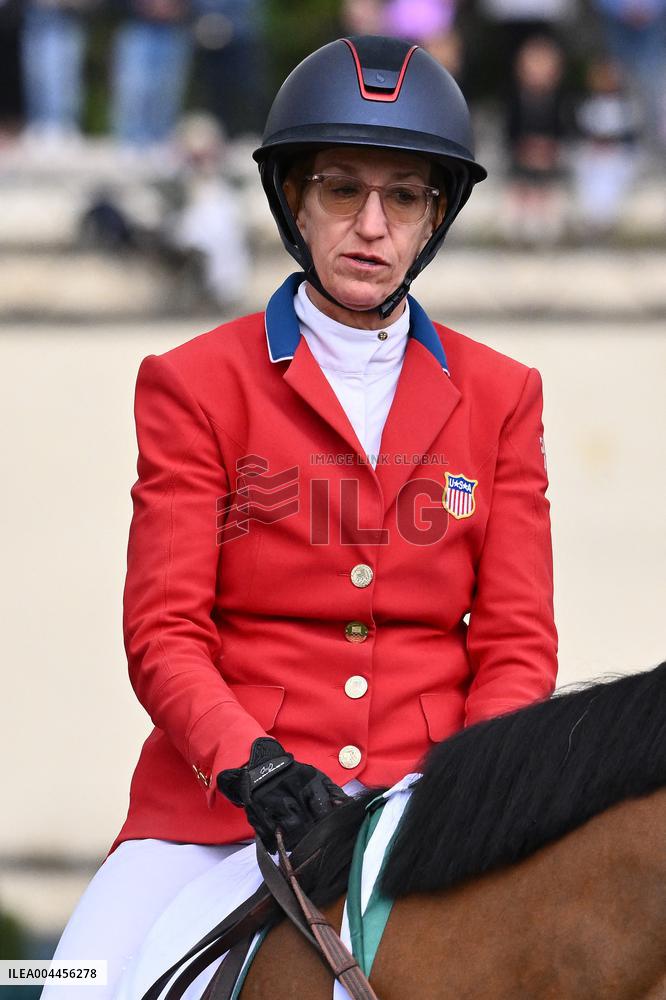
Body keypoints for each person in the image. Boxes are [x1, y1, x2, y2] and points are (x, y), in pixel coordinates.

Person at [42, 34, 558, 998]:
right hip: (225, 811)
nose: (371, 225)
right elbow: (163, 632)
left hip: (424, 803)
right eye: (341, 190)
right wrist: (255, 768)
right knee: (79, 984)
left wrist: (474, 796)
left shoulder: (503, 395)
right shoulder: (196, 384)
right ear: (293, 201)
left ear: (434, 216)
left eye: (403, 196)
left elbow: (518, 642)